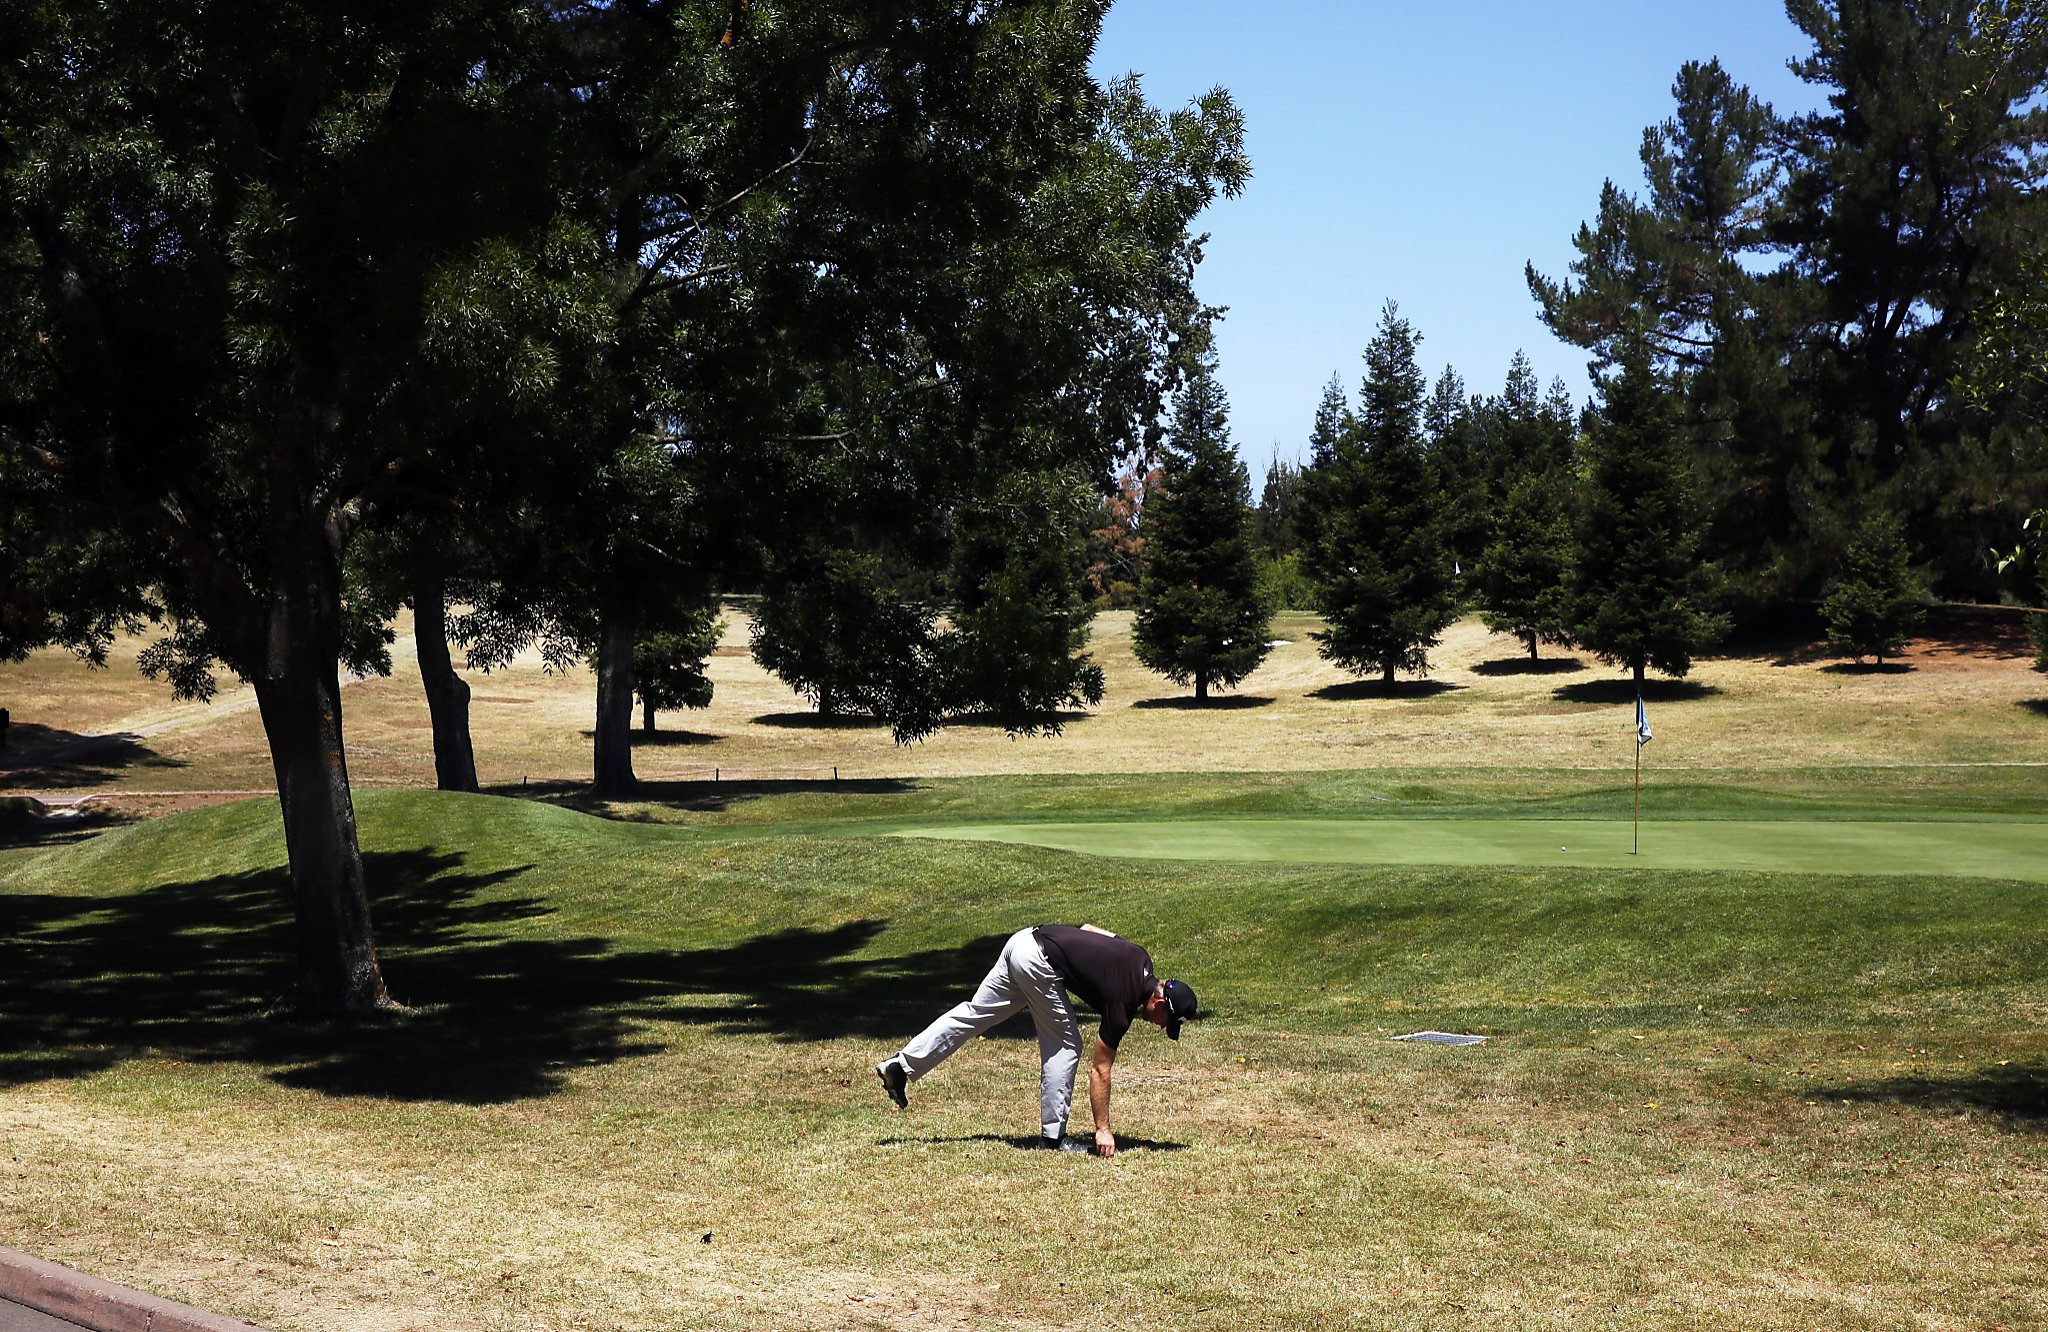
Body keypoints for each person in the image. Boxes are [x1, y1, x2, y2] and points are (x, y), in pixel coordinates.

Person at [875, 923, 1196, 1157]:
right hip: (1037, 962)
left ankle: (900, 1066)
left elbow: (1088, 929)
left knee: (975, 1013)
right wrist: (1102, 1130)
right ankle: (1053, 1138)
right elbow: (1100, 1070)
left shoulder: (1140, 957)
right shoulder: (1121, 1002)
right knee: (1067, 1044)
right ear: (1158, 1004)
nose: (1161, 1027)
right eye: (1166, 1022)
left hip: (1024, 940)